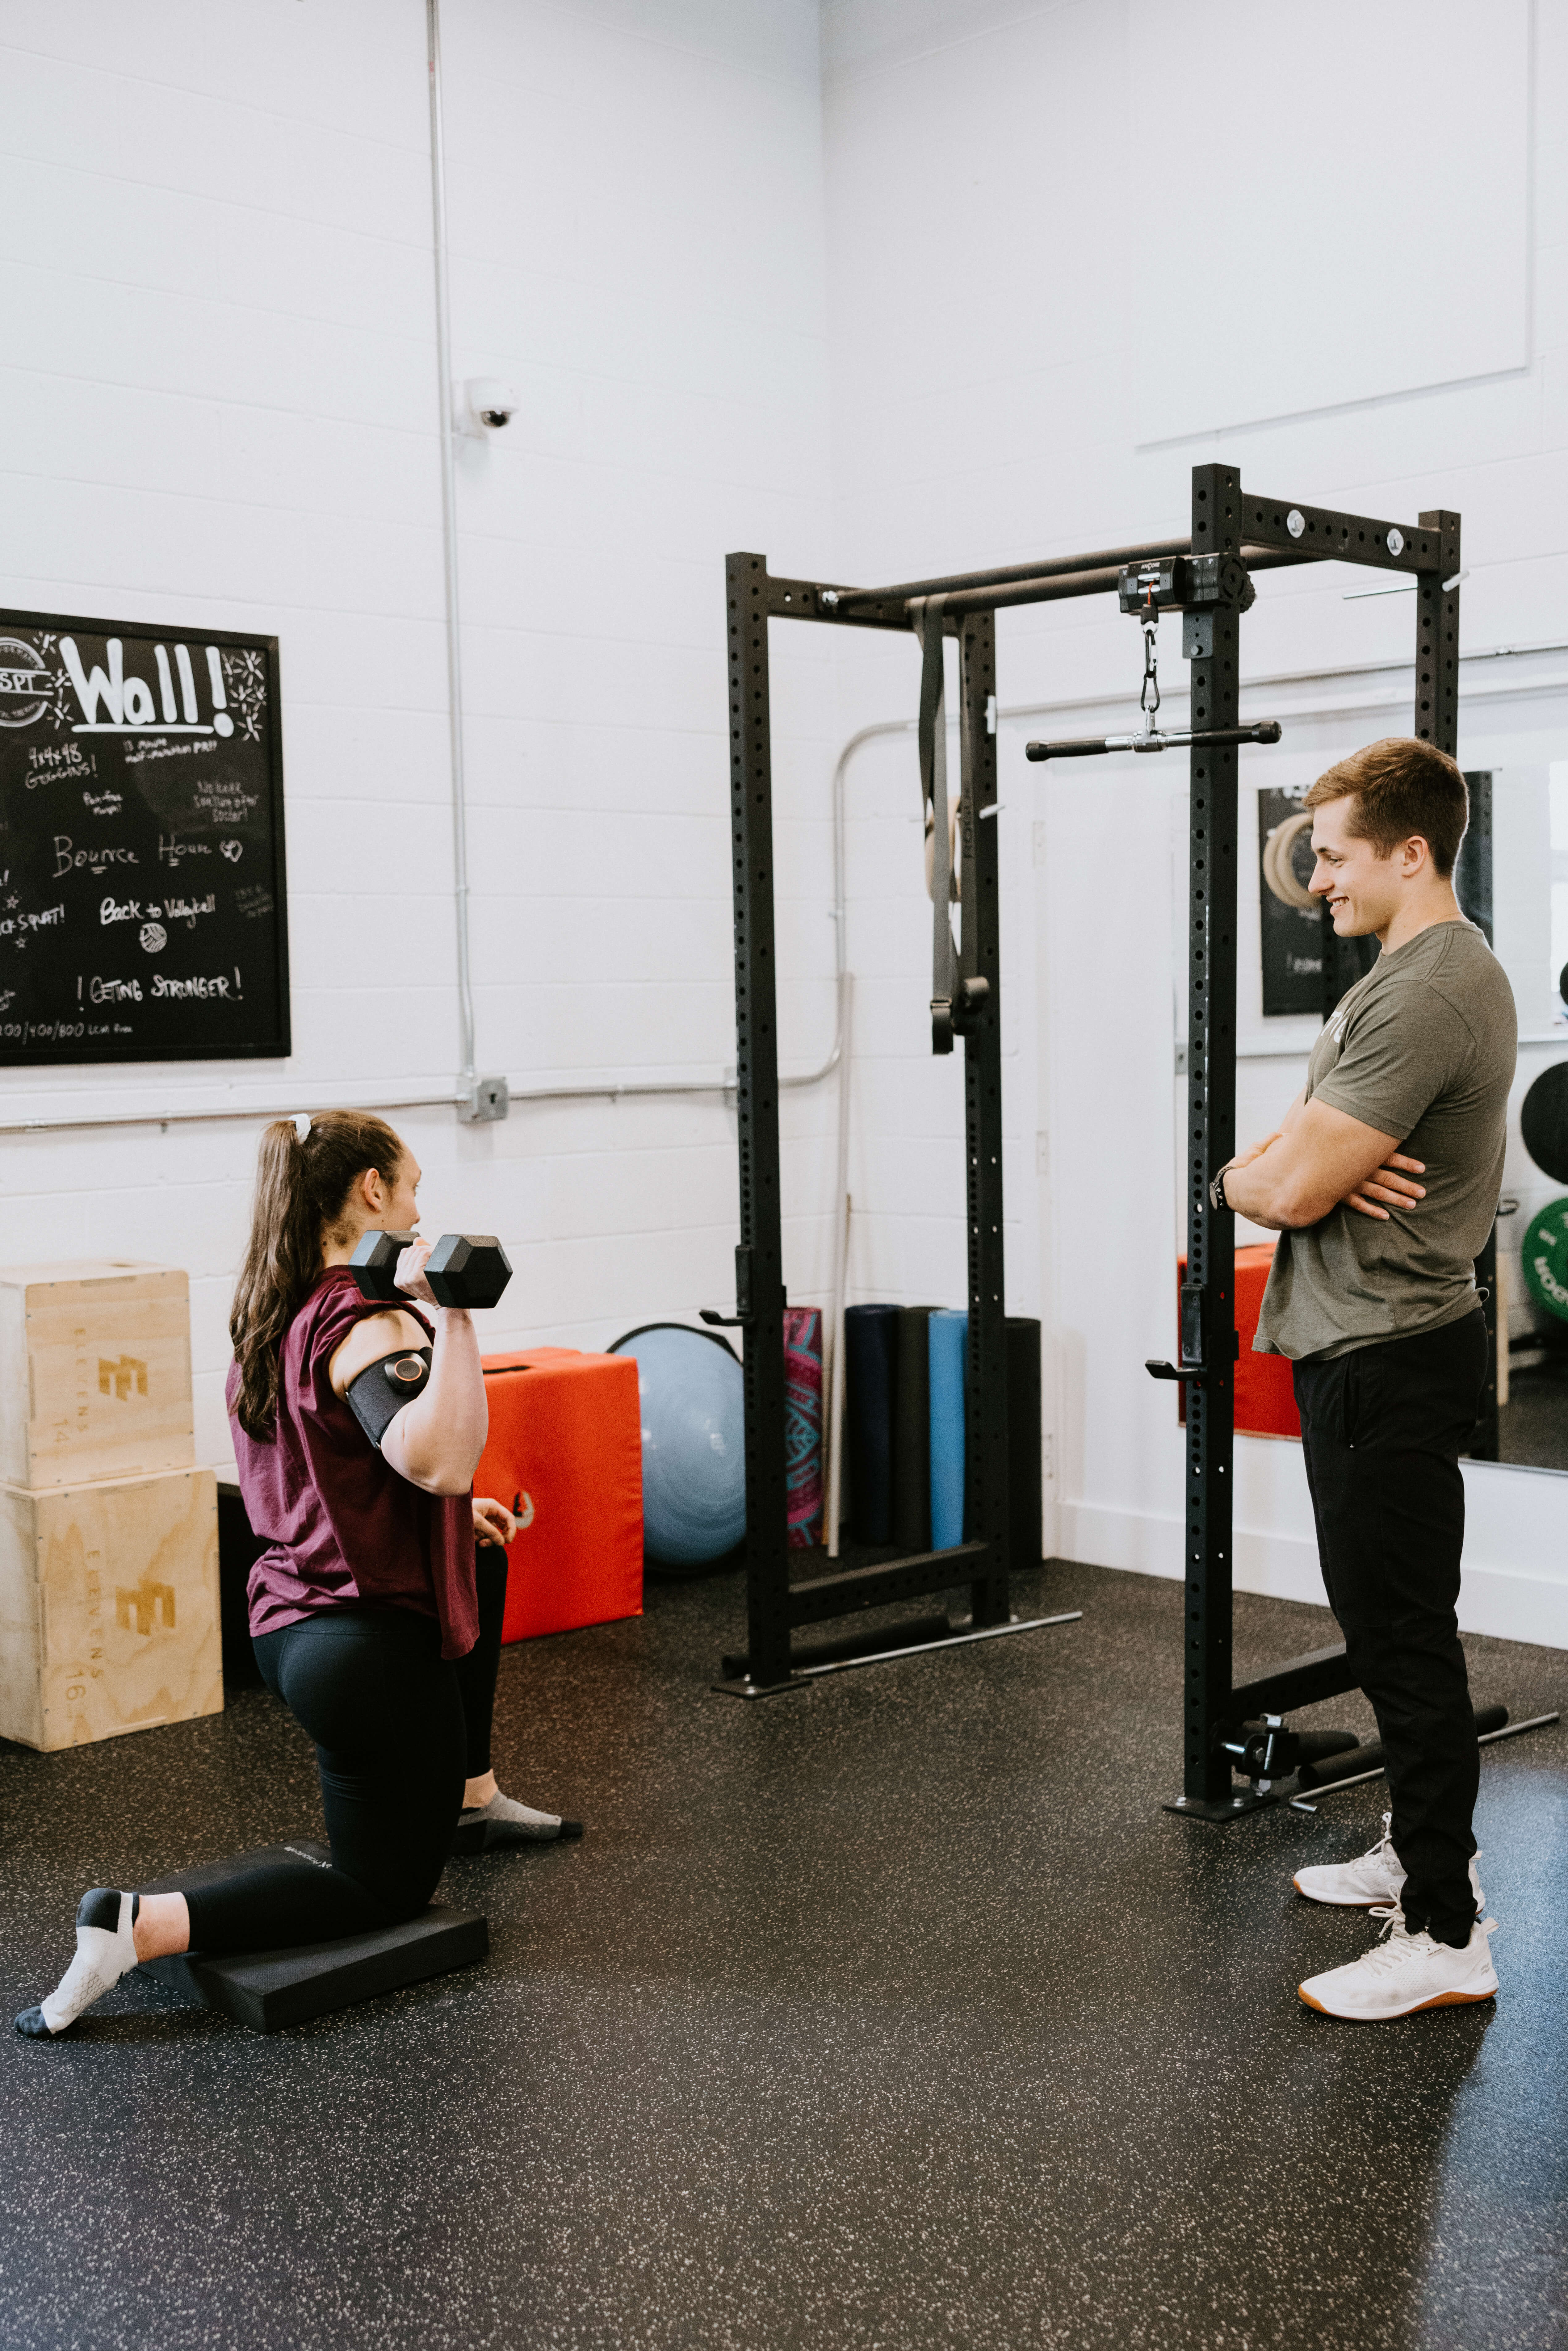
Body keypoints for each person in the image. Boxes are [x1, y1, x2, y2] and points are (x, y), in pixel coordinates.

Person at [17, 1111, 579, 2042]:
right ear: (371, 1194)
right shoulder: (366, 1321)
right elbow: (434, 1459)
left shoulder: (274, 1311)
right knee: (382, 1886)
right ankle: (137, 1925)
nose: (417, 1205)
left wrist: (444, 1521)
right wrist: (457, 1311)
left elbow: (335, 1472)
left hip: (292, 1625)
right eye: (410, 1188)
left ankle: (472, 1798)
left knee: (478, 1551)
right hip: (367, 1648)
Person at [1215, 738, 1514, 2022]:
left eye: (1334, 856)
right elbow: (1298, 1160)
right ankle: (1413, 1850)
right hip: (1370, 1339)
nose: (1315, 881)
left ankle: (1447, 1929)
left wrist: (1262, 1168)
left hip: (1388, 1347)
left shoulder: (1427, 990)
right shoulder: (1396, 975)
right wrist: (1295, 1153)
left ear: (1409, 851)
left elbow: (1279, 1184)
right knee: (1391, 1623)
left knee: (1402, 1636)